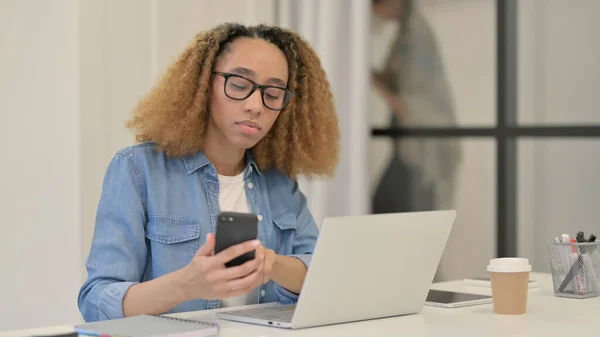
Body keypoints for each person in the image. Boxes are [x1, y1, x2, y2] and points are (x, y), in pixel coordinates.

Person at [77, 23, 339, 322]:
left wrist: (272, 264)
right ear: (202, 86)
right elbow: (96, 301)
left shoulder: (280, 181)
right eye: (240, 84)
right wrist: (188, 284)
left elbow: (322, 275)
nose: (256, 106)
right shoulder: (139, 169)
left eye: (274, 92)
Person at [370, 0, 461, 214]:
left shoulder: (415, 35)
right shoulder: (406, 32)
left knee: (389, 209)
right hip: (411, 148)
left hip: (424, 149)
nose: (375, 13)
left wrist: (379, 86)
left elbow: (412, 102)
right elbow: (394, 79)